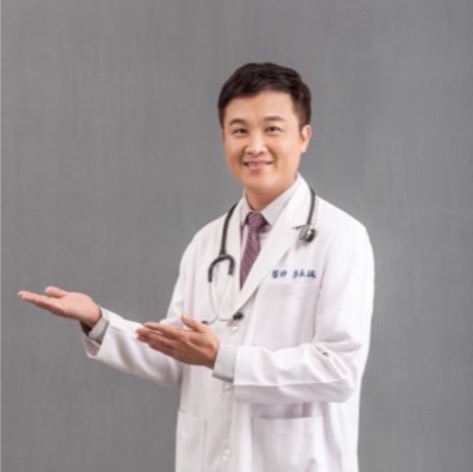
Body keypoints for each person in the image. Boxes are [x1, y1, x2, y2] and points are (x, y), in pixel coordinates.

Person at [18, 62, 375, 472]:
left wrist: (224, 358)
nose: (255, 146)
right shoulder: (207, 243)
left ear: (304, 137)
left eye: (272, 129)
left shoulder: (340, 237)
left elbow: (338, 370)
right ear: (223, 137)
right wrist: (98, 322)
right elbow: (177, 354)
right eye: (240, 131)